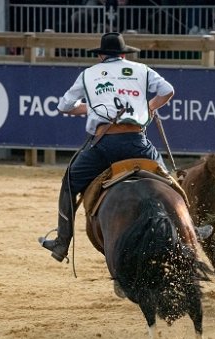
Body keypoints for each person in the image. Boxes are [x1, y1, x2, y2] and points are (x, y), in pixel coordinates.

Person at [40, 32, 174, 261]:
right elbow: (168, 91)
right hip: (137, 143)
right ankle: (190, 225)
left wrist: (90, 109)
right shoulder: (141, 69)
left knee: (69, 183)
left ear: (101, 55)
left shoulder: (89, 74)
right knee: (170, 181)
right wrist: (149, 107)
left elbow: (64, 106)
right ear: (124, 54)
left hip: (104, 145)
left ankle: (62, 243)